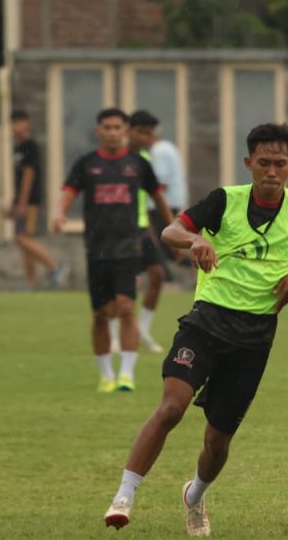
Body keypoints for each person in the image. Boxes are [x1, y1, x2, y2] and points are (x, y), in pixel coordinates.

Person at [103, 122, 288, 536]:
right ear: (248, 163)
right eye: (263, 163)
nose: (271, 171)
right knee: (171, 407)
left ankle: (195, 495)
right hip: (206, 322)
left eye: (280, 163)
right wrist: (195, 241)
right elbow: (171, 230)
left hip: (255, 336)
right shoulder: (225, 200)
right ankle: (124, 496)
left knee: (218, 441)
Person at [53, 108, 172, 393]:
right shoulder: (87, 164)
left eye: (117, 127)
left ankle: (126, 375)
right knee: (101, 315)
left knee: (127, 308)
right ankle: (106, 375)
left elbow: (158, 196)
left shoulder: (138, 164)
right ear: (99, 131)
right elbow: (68, 191)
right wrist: (59, 214)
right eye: (107, 127)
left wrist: (174, 230)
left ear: (125, 131)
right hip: (96, 249)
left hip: (128, 247)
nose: (112, 132)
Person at [110, 110, 183, 354]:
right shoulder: (113, 158)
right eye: (141, 132)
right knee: (119, 284)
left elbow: (153, 197)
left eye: (149, 134)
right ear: (129, 131)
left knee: (158, 275)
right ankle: (113, 337)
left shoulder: (144, 161)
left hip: (140, 227)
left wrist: (170, 231)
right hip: (114, 230)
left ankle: (141, 331)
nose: (145, 138)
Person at [9, 110, 67, 290]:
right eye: (13, 122)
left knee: (20, 238)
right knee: (26, 242)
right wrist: (14, 202)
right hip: (22, 201)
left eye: (20, 121)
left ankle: (55, 267)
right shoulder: (17, 148)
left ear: (27, 124)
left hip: (31, 201)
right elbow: (18, 180)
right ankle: (30, 283)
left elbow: (28, 175)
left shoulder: (30, 146)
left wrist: (23, 203)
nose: (16, 127)